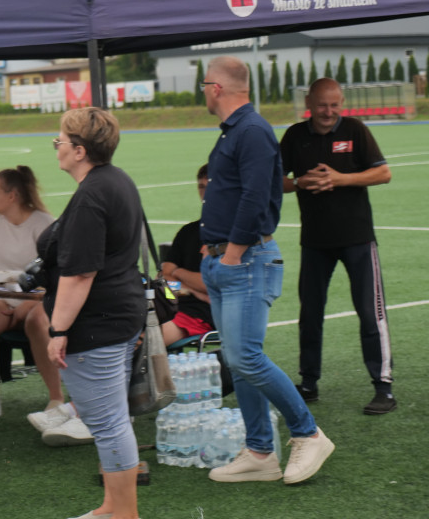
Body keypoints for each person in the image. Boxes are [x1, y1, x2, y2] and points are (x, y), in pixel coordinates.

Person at [199, 56, 334, 486]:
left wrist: (233, 252)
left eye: (204, 85)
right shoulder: (239, 131)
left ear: (217, 88)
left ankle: (307, 433)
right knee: (238, 364)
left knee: (245, 357)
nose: (202, 92)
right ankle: (260, 451)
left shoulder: (252, 131)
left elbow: (257, 197)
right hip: (227, 261)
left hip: (247, 261)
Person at [43, 107, 145, 519]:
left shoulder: (92, 195)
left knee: (107, 423)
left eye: (61, 142)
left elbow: (79, 274)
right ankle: (115, 506)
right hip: (117, 316)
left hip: (96, 324)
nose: (58, 148)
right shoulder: (115, 181)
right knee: (114, 419)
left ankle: (121, 510)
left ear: (80, 150)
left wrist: (57, 329)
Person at [280, 78, 396, 414]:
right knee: (310, 314)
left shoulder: (356, 130)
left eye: (334, 105)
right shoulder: (295, 136)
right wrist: (299, 182)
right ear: (309, 104)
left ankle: (384, 387)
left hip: (358, 239)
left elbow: (384, 173)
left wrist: (340, 179)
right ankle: (309, 382)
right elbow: (273, 179)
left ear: (342, 103)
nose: (328, 112)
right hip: (315, 242)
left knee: (370, 314)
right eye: (322, 105)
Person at [0, 167, 62, 422]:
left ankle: (57, 398)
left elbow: (54, 277)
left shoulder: (44, 224)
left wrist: (26, 306)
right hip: (7, 298)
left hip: (43, 297)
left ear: (13, 196)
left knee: (35, 321)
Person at [159, 164, 216, 345]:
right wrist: (190, 289)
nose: (205, 193)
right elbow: (164, 278)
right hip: (171, 305)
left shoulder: (229, 235)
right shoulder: (188, 232)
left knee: (147, 338)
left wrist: (178, 273)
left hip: (204, 314)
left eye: (210, 187)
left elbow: (211, 286)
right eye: (201, 187)